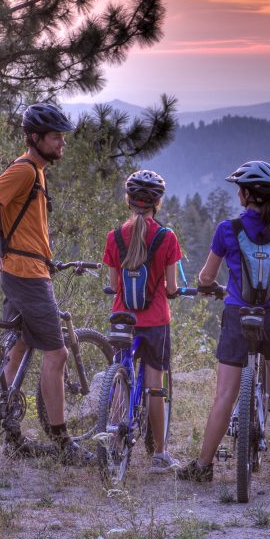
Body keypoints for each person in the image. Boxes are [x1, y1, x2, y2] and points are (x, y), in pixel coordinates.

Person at [0, 103, 91, 464]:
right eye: (56, 137)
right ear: (35, 138)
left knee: (16, 350)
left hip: (25, 270)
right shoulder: (24, 171)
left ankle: (12, 436)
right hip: (27, 277)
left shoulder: (37, 171)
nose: (62, 142)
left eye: (62, 136)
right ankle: (64, 442)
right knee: (58, 353)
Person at [176, 160, 270, 484]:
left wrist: (210, 285)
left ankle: (204, 466)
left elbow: (206, 276)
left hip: (238, 315)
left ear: (244, 195)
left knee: (225, 394)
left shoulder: (228, 229)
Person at [102, 169, 183, 473]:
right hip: (155, 322)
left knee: (121, 377)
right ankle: (160, 454)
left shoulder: (114, 236)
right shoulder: (167, 237)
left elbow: (113, 283)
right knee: (155, 387)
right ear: (157, 204)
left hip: (122, 319)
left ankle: (112, 435)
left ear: (129, 201)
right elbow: (172, 287)